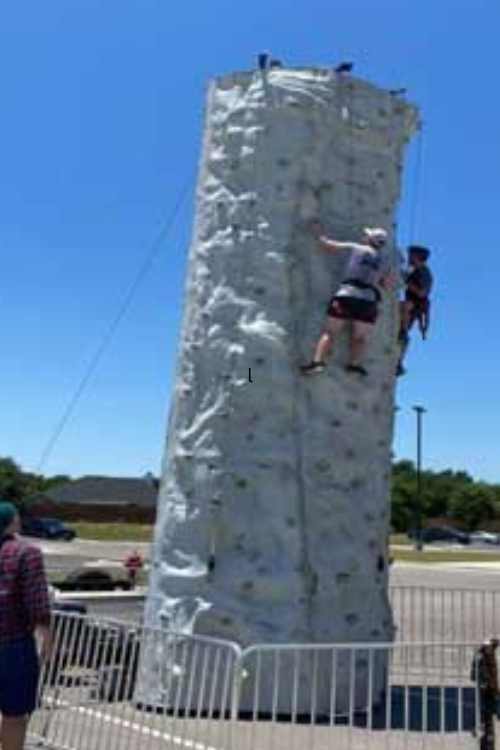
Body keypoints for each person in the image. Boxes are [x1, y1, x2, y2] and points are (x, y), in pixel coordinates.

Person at [300, 222, 394, 377]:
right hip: (368, 300)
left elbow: (328, 245)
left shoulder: (358, 248)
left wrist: (317, 232)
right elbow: (386, 285)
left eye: (367, 235)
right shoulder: (385, 261)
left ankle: (318, 363)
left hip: (348, 294)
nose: (364, 236)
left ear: (370, 239)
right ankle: (354, 365)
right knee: (360, 337)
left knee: (330, 332)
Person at [0, 501, 52, 750]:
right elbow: (37, 602)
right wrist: (49, 640)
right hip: (13, 645)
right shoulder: (26, 553)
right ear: (12, 521)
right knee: (14, 715)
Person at [396, 245, 433, 376]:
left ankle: (398, 362)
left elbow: (422, 293)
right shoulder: (416, 270)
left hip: (414, 306)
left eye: (410, 255)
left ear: (416, 256)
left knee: (403, 333)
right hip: (412, 306)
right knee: (401, 333)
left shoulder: (424, 272)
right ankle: (398, 362)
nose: (408, 258)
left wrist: (406, 282)